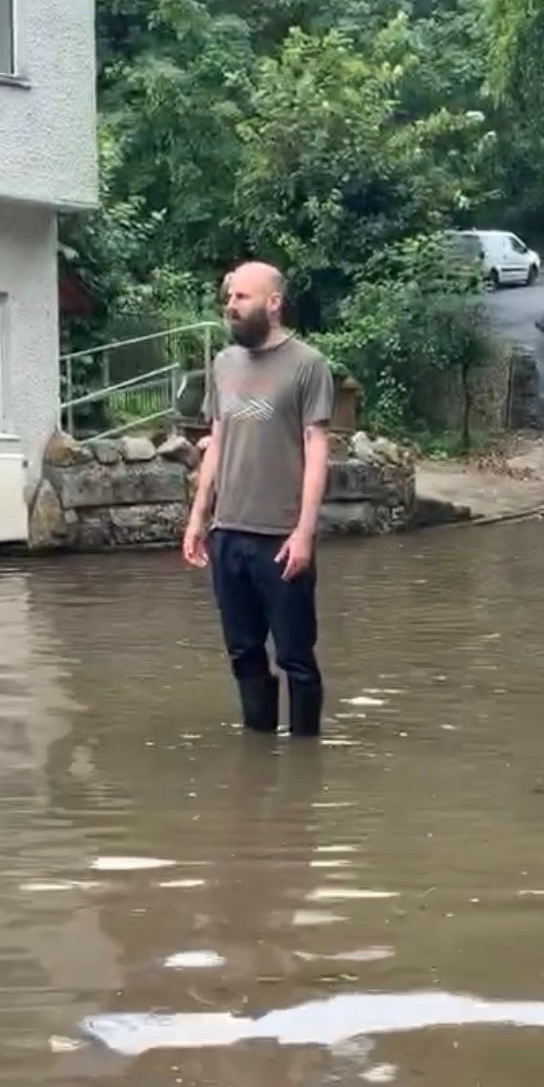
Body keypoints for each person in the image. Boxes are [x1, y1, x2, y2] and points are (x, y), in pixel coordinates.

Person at [183, 262, 333, 738]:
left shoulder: (309, 365)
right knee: (243, 652)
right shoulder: (224, 365)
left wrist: (305, 533)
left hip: (282, 538)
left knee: (295, 657)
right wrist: (197, 517)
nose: (231, 306)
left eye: (243, 297)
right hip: (228, 534)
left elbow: (316, 450)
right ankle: (260, 750)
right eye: (228, 298)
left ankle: (306, 761)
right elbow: (218, 440)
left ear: (273, 303)